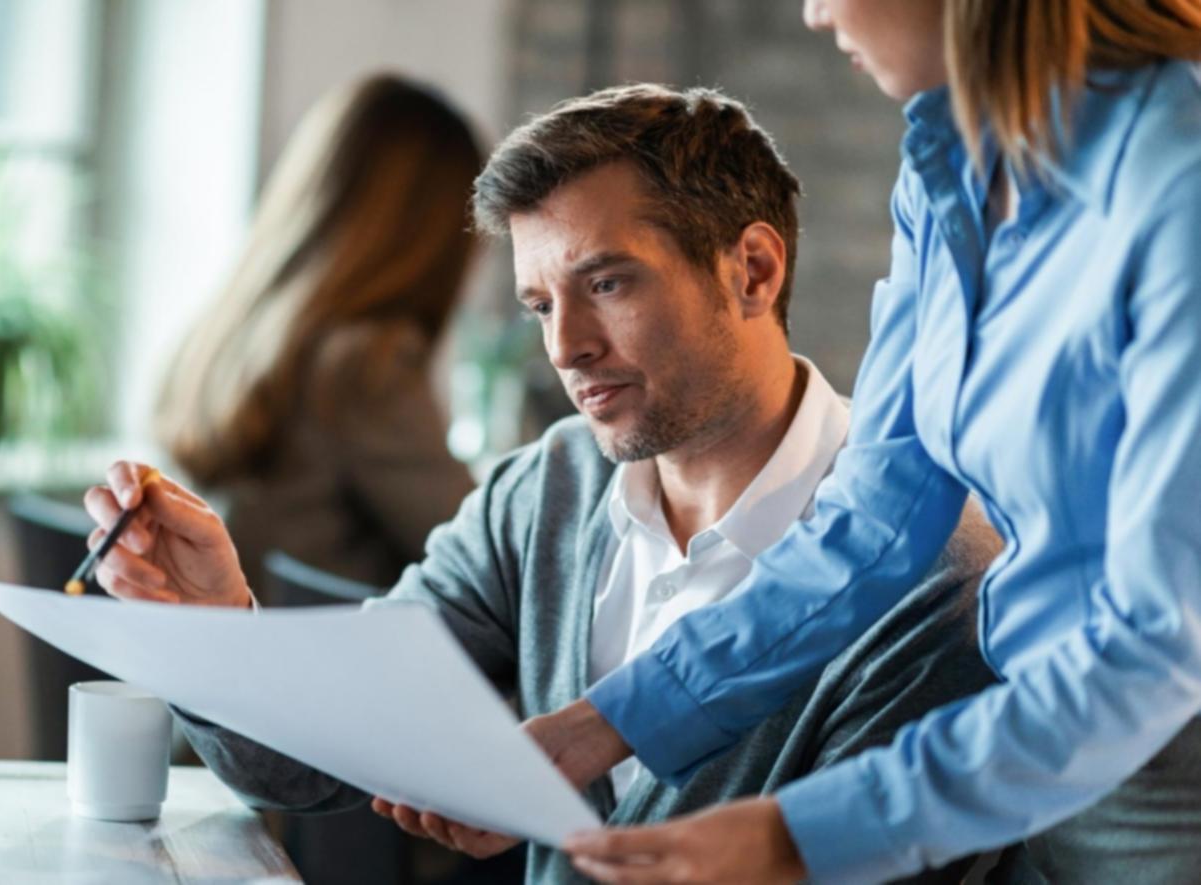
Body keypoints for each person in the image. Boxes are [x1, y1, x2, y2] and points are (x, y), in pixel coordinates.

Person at [85, 83, 1001, 883]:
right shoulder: (548, 489)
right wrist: (215, 634)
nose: (565, 348)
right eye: (540, 305)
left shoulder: (934, 587)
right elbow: (315, 764)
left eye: (605, 284)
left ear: (752, 270)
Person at [538, 2, 1201, 883]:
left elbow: (1160, 643)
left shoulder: (1178, 177)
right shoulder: (950, 171)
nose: (813, 12)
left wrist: (799, 834)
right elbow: (874, 521)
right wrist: (597, 726)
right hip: (1035, 767)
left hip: (1167, 779)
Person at [153, 73, 479, 598]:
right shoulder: (363, 363)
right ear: (431, 235)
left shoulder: (228, 331)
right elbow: (487, 553)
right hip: (319, 666)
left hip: (231, 654)